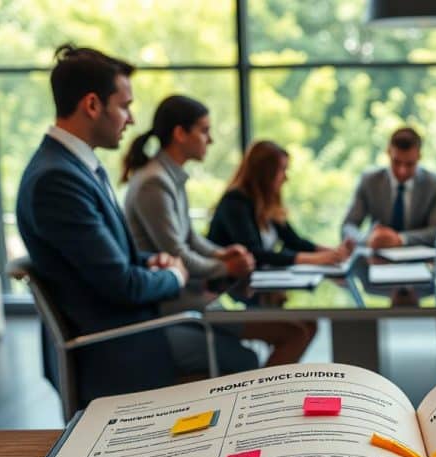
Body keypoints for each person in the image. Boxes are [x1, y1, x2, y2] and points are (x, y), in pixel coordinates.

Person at [16, 45, 257, 405]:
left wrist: (149, 261)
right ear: (93, 105)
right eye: (125, 106)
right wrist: (174, 276)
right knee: (246, 360)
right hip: (116, 346)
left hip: (127, 328)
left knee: (233, 341)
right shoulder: (57, 180)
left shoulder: (73, 168)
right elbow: (122, 286)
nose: (130, 119)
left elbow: (106, 260)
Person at [121, 95, 255, 313]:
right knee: (291, 330)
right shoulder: (154, 182)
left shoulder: (169, 176)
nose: (210, 140)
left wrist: (221, 254)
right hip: (167, 302)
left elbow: (190, 237)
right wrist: (226, 267)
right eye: (204, 131)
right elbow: (176, 253)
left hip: (184, 292)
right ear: (180, 133)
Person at [209, 140, 351, 267]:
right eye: (282, 170)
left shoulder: (266, 203)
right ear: (265, 173)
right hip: (227, 287)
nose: (286, 178)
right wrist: (316, 259)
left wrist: (333, 253)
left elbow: (294, 241)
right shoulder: (235, 202)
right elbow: (255, 254)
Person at [341, 127, 436, 248]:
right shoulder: (370, 181)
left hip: (418, 260)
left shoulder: (435, 184)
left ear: (419, 156)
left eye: (409, 164)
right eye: (396, 162)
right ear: (388, 152)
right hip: (377, 258)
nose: (402, 171)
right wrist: (368, 239)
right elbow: (348, 226)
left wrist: (400, 239)